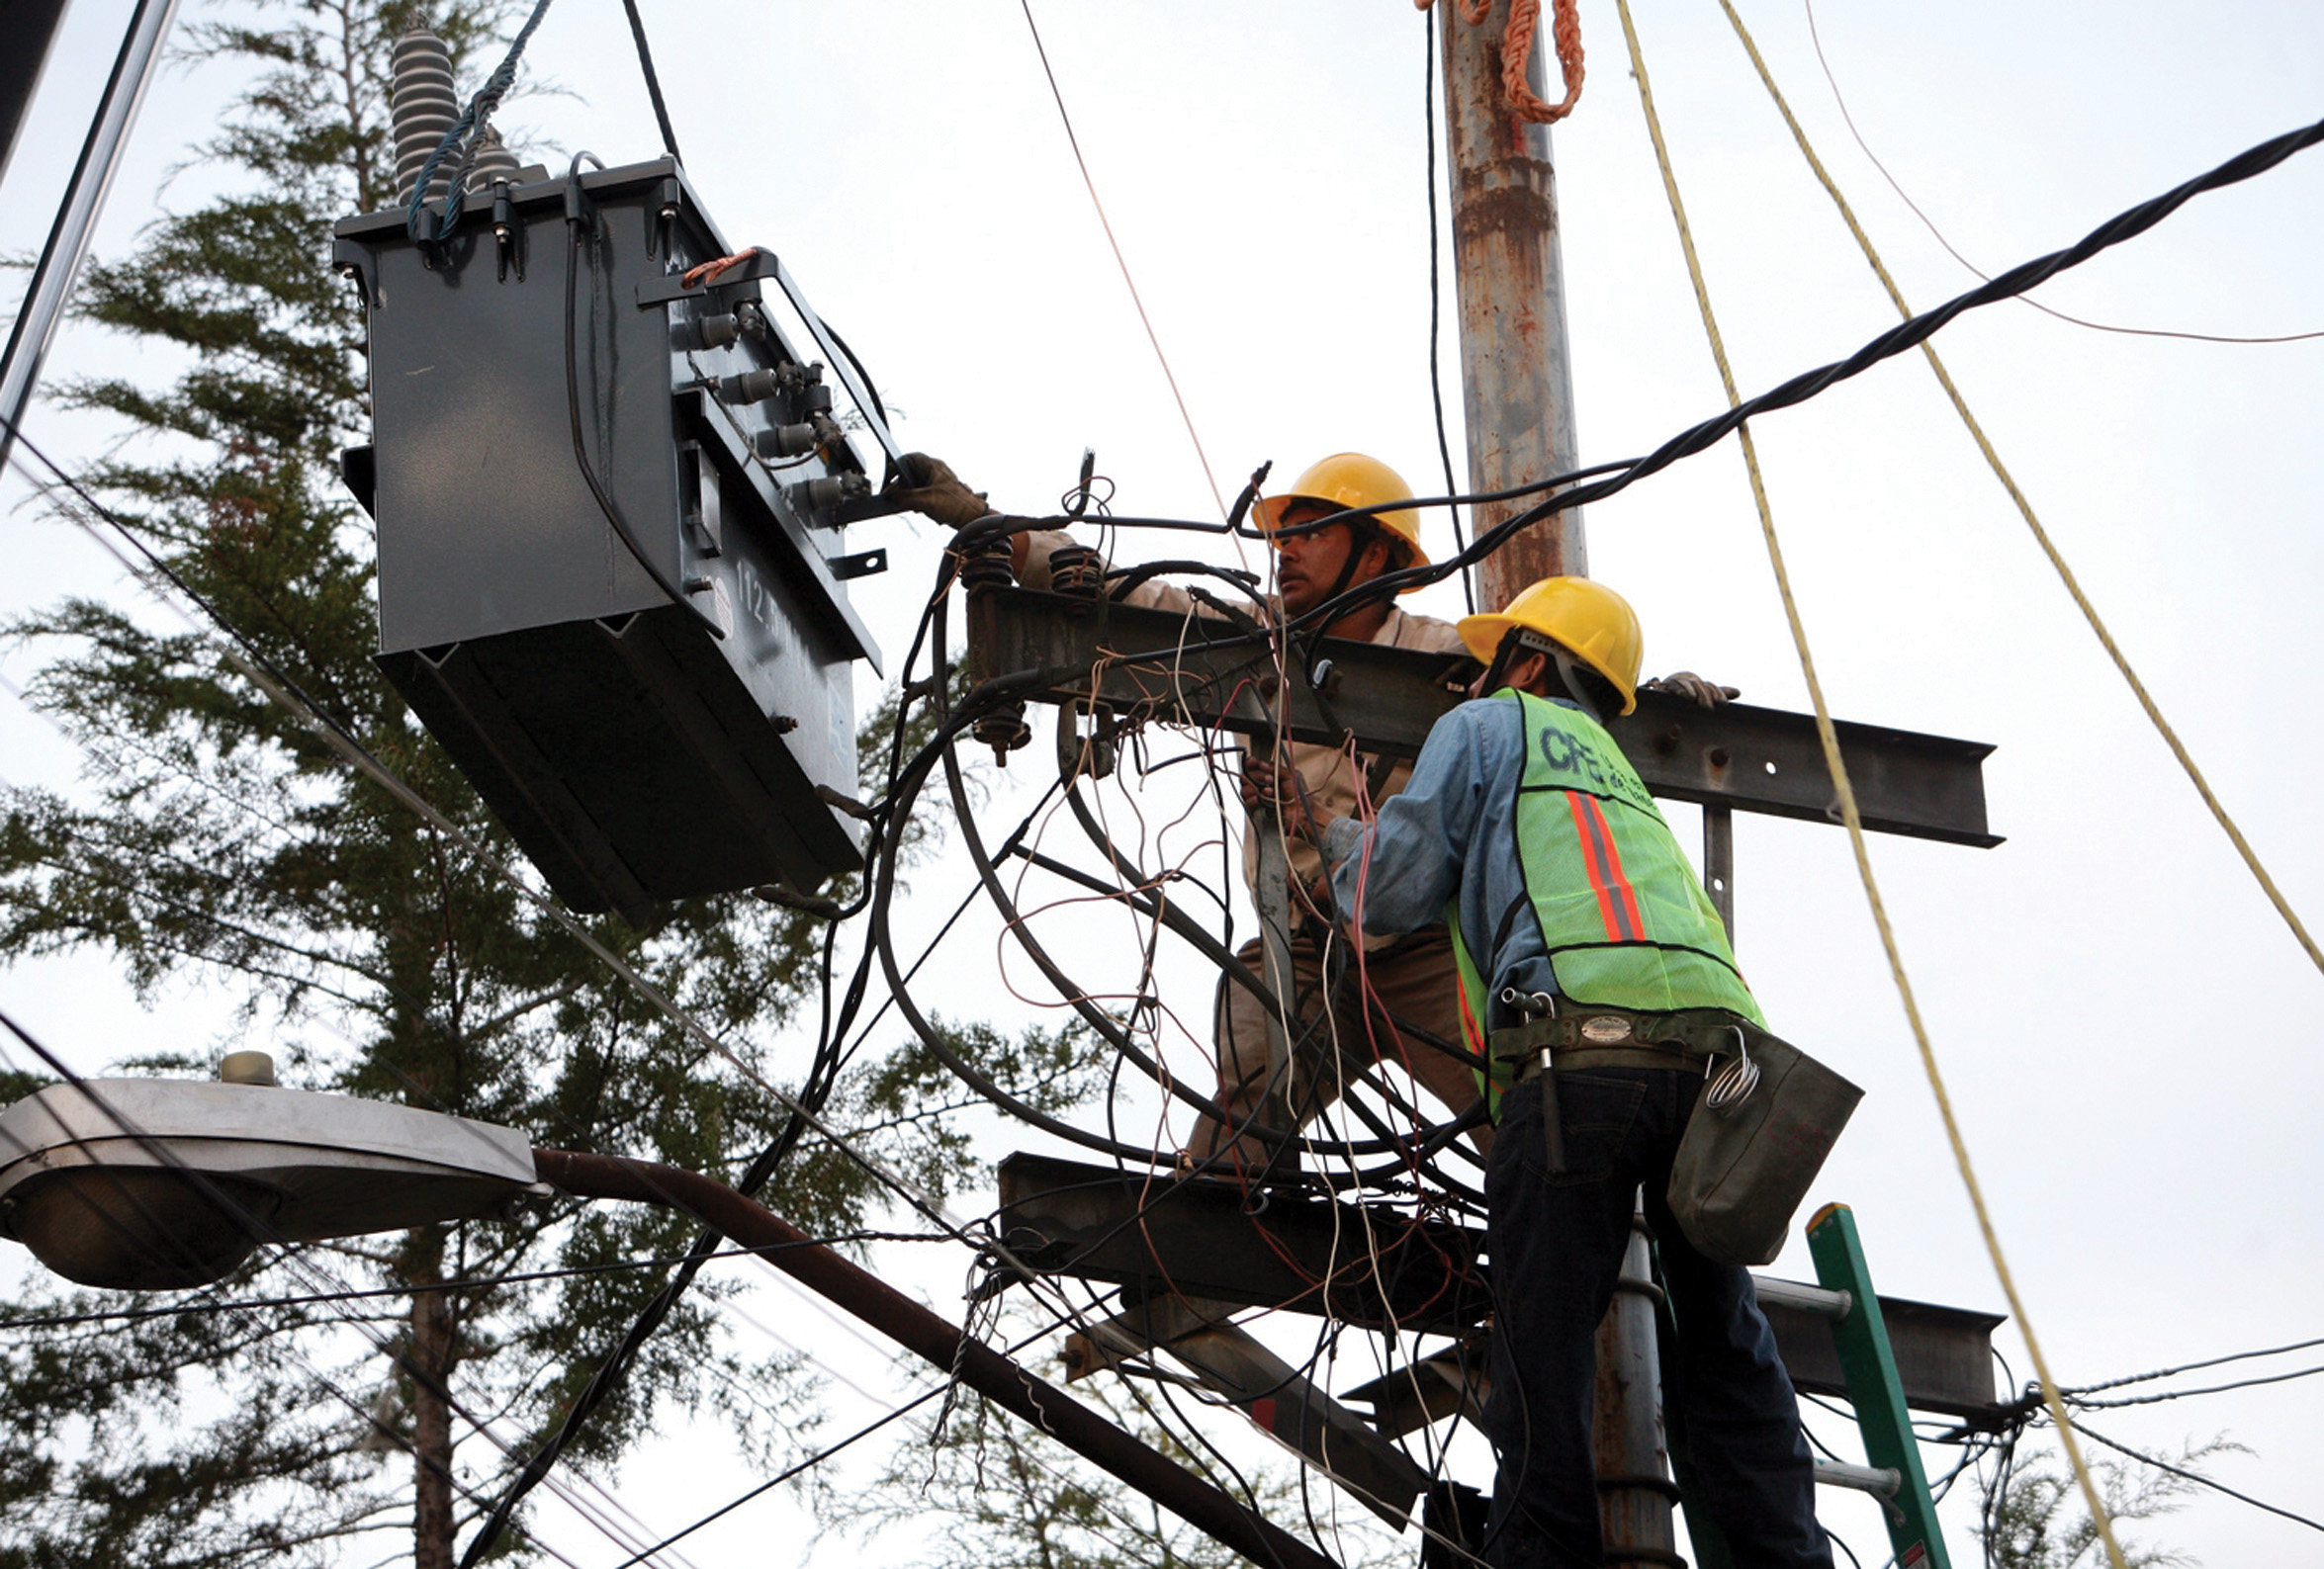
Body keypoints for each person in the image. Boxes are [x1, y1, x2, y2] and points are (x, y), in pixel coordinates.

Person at [1289, 574, 1829, 1568]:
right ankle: (1781, 1557)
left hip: (1579, 1057)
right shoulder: (1622, 776)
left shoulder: (1492, 724)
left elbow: (1389, 890)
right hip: (1727, 1071)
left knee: (1543, 1352)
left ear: (1528, 662)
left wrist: (1324, 830)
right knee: (1725, 1342)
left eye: (1496, 661)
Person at [892, 452, 1486, 1167]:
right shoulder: (1253, 639)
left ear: (1379, 554)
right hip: (1303, 945)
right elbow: (1131, 601)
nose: (1285, 550)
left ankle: (1597, 1258)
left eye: (1312, 532)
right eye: (1281, 535)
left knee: (1533, 1118)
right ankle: (1243, 1250)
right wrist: (986, 522)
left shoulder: (1447, 661)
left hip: (1427, 948)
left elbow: (1559, 686)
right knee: (1229, 1144)